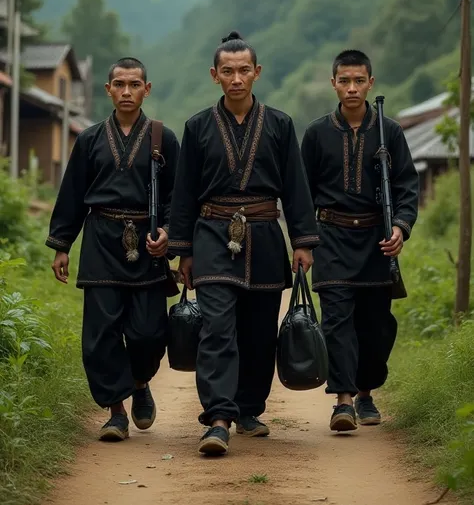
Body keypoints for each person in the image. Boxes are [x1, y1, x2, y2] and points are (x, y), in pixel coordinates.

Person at [168, 31, 319, 456]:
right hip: (213, 233)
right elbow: (184, 193)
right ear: (215, 75)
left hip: (266, 235)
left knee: (258, 331)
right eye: (228, 71)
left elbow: (295, 187)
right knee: (217, 328)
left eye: (244, 71)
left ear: (257, 72)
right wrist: (185, 251)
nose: (237, 79)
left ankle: (249, 408)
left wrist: (303, 242)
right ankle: (218, 416)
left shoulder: (280, 124)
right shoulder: (198, 127)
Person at [45, 57, 180, 442]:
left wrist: (170, 232)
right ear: (108, 90)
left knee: (149, 333)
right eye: (118, 84)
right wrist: (62, 245)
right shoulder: (89, 139)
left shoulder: (162, 138)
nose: (126, 91)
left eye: (134, 84)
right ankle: (117, 411)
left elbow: (176, 196)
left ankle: (140, 383)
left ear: (146, 89)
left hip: (149, 245)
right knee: (101, 334)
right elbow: (72, 195)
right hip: (101, 241)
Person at [301, 49, 419, 432]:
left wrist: (400, 227)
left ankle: (366, 392)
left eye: (359, 81)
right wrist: (303, 240)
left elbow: (406, 186)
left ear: (371, 83)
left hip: (376, 240)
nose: (351, 88)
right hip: (332, 237)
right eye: (344, 80)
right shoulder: (317, 133)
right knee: (337, 321)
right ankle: (344, 400)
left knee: (375, 325)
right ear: (333, 83)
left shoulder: (391, 131)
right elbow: (302, 191)